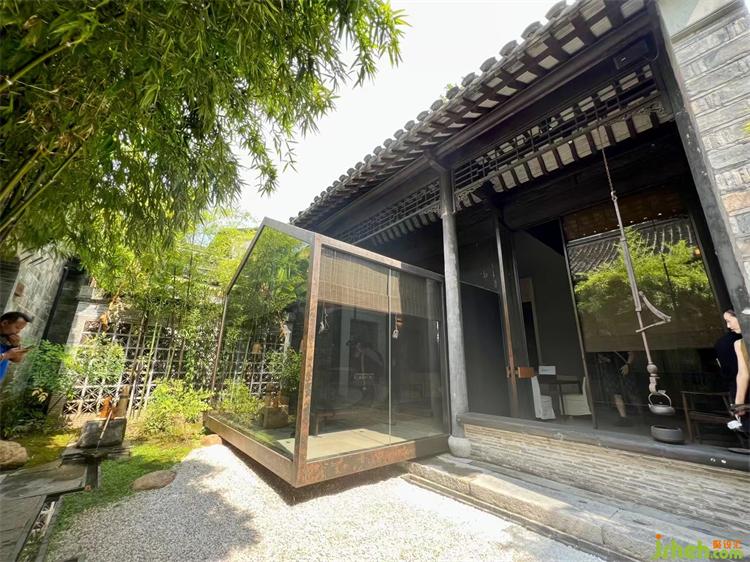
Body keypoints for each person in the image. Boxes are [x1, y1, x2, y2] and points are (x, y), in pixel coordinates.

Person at [718, 310, 749, 429]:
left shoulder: (740, 344)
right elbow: (742, 374)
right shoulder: (739, 344)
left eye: (729, 321)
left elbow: (743, 374)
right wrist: (739, 404)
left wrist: (738, 404)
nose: (728, 326)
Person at [0, 311, 32, 385]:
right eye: (17, 327)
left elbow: (17, 359)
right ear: (4, 323)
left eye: (20, 329)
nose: (18, 332)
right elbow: (8, 355)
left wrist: (15, 345)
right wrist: (6, 355)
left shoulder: (7, 338)